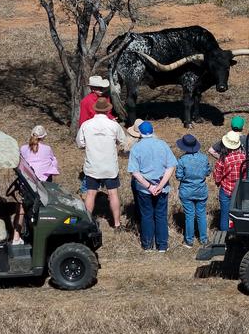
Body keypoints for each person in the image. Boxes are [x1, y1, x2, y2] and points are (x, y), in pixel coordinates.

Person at [76, 97, 127, 230]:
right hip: (109, 166)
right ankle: (116, 223)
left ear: (95, 109)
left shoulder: (86, 125)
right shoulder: (113, 125)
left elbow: (80, 144)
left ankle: (88, 222)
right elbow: (122, 140)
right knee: (113, 194)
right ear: (107, 110)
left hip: (92, 165)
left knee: (91, 193)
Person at [128, 121, 177, 252]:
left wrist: (149, 186)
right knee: (161, 215)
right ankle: (162, 246)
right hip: (162, 188)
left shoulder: (136, 148)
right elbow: (171, 166)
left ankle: (147, 245)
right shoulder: (162, 144)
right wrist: (160, 185)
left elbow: (135, 172)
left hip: (144, 189)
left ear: (140, 133)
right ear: (153, 131)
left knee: (147, 216)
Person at [78, 76, 115, 196]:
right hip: (93, 134)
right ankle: (86, 188)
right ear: (93, 88)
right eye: (99, 88)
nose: (102, 90)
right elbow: (83, 121)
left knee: (106, 158)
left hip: (106, 133)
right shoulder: (85, 101)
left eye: (103, 88)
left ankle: (101, 182)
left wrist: (112, 119)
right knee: (94, 160)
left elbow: (108, 113)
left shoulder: (105, 98)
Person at [175, 134, 211, 247]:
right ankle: (204, 239)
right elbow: (208, 172)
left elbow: (178, 176)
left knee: (189, 215)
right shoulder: (204, 158)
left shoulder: (182, 160)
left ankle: (189, 241)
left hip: (186, 191)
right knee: (201, 214)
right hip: (201, 190)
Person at [213, 131, 246, 231]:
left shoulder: (223, 159)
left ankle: (225, 236)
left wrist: (218, 182)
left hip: (227, 189)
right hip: (241, 189)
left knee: (225, 215)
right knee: (239, 213)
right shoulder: (244, 157)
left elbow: (217, 177)